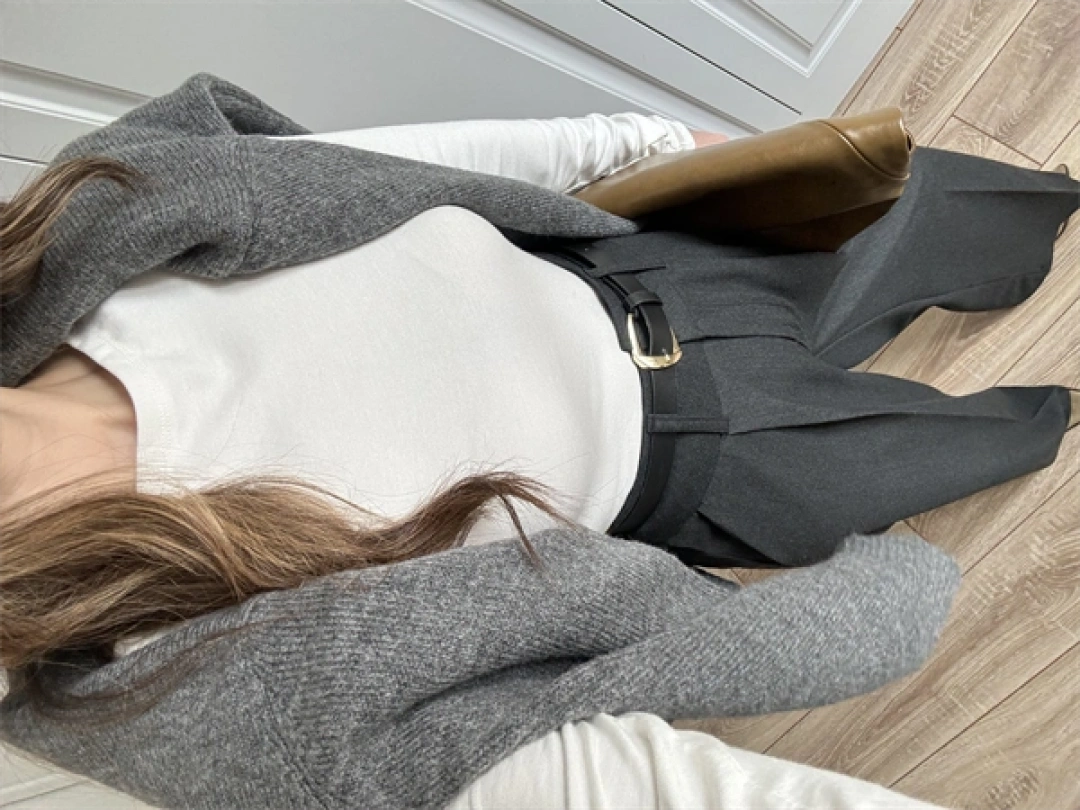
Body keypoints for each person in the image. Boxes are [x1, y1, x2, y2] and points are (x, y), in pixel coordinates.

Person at [0, 72, 1074, 808]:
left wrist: (630, 144)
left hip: (678, 256)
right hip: (728, 471)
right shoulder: (165, 687)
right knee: (997, 438)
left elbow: (388, 168)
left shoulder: (86, 225)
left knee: (982, 208)